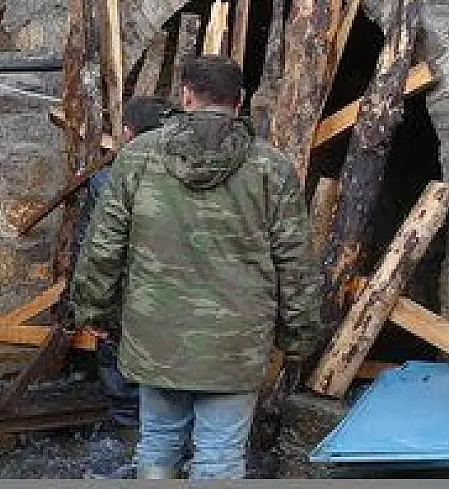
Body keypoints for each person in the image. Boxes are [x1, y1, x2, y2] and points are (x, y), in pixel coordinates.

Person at [69, 55, 324, 479]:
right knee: (221, 454)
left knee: (158, 442)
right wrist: (299, 334)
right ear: (240, 102)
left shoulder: (136, 158)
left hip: (156, 331)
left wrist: (94, 310)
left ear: (186, 96)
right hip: (235, 341)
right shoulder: (270, 167)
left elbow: (103, 245)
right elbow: (295, 261)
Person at [71, 96, 170, 433]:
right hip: (180, 301)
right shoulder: (192, 177)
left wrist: (88, 308)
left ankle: (131, 439)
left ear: (127, 132)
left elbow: (92, 248)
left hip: (126, 299)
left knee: (122, 379)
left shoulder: (110, 180)